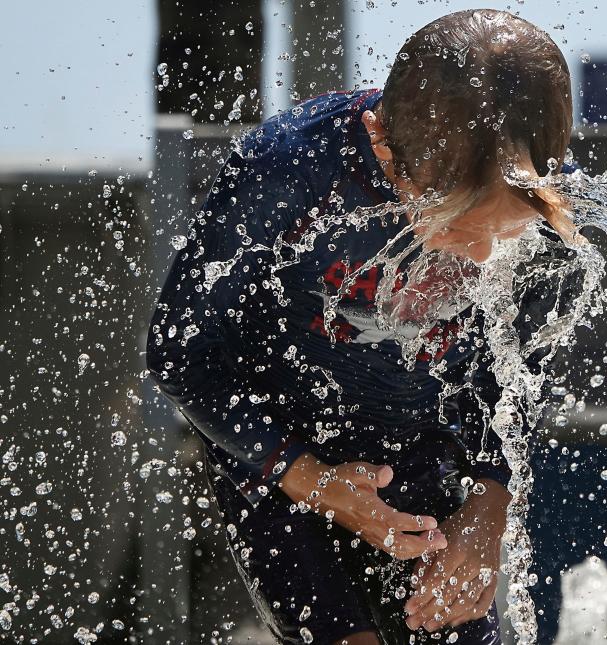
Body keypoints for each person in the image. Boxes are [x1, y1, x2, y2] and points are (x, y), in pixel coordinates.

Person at [146, 9, 574, 645]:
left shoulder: (537, 192)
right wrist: (313, 481)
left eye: (501, 229)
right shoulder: (292, 167)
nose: (482, 258)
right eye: (456, 225)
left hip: (426, 452)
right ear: (381, 145)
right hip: (279, 454)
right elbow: (180, 352)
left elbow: (516, 370)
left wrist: (489, 505)